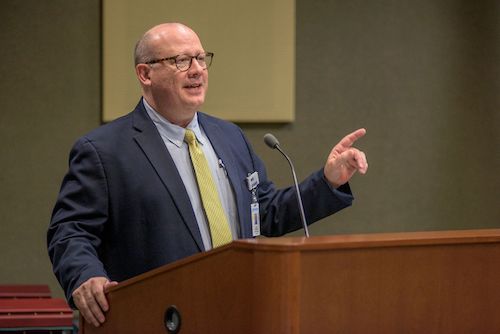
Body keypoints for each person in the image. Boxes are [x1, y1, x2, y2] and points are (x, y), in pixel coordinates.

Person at [47, 23, 368, 328]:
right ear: (145, 73)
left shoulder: (229, 137)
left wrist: (328, 181)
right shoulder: (104, 150)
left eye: (201, 58)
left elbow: (266, 211)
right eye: (181, 60)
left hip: (239, 311)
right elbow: (70, 230)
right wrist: (86, 275)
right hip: (159, 318)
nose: (197, 69)